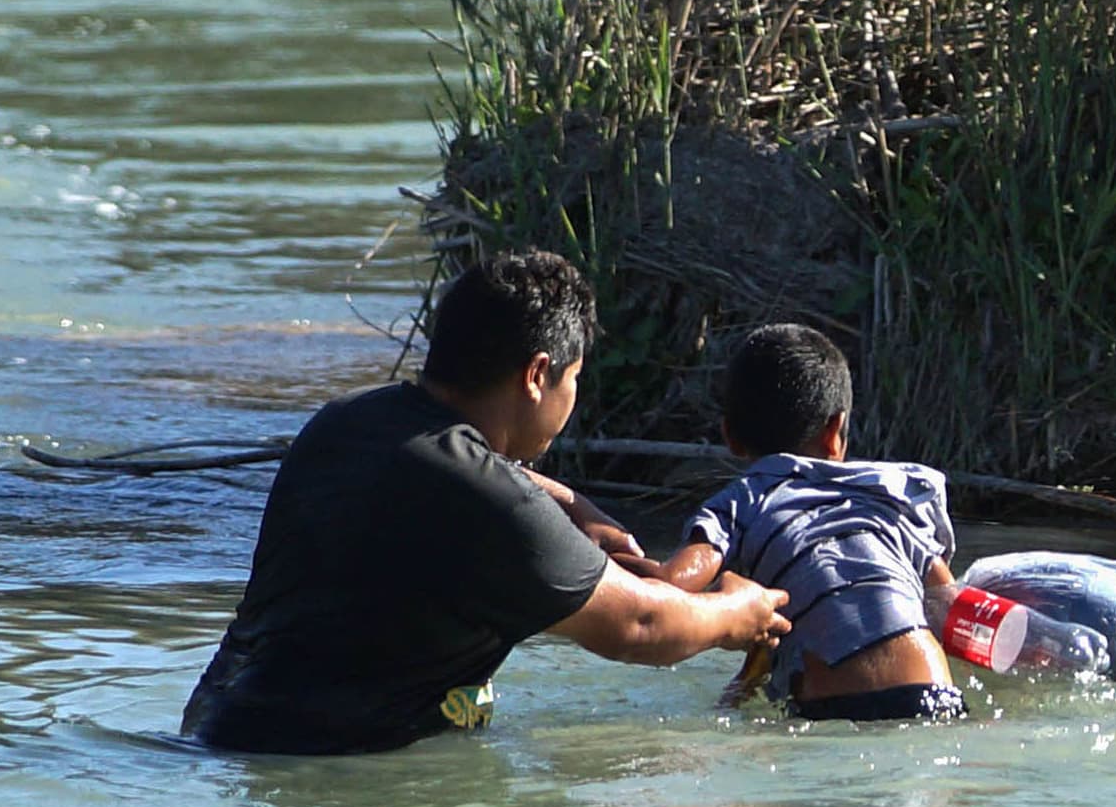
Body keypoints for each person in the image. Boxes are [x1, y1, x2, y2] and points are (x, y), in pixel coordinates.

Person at [179, 249, 788, 754]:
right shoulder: (490, 503)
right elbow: (642, 626)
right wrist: (740, 612)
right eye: (573, 379)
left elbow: (464, 482)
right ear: (536, 374)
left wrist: (570, 505)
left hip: (220, 729)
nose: (572, 397)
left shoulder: (347, 423)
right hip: (328, 765)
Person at [642, 322, 997, 725]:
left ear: (730, 436)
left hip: (832, 710)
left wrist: (617, 564)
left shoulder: (743, 500)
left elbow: (668, 588)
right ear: (835, 430)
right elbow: (947, 607)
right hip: (931, 692)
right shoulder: (891, 495)